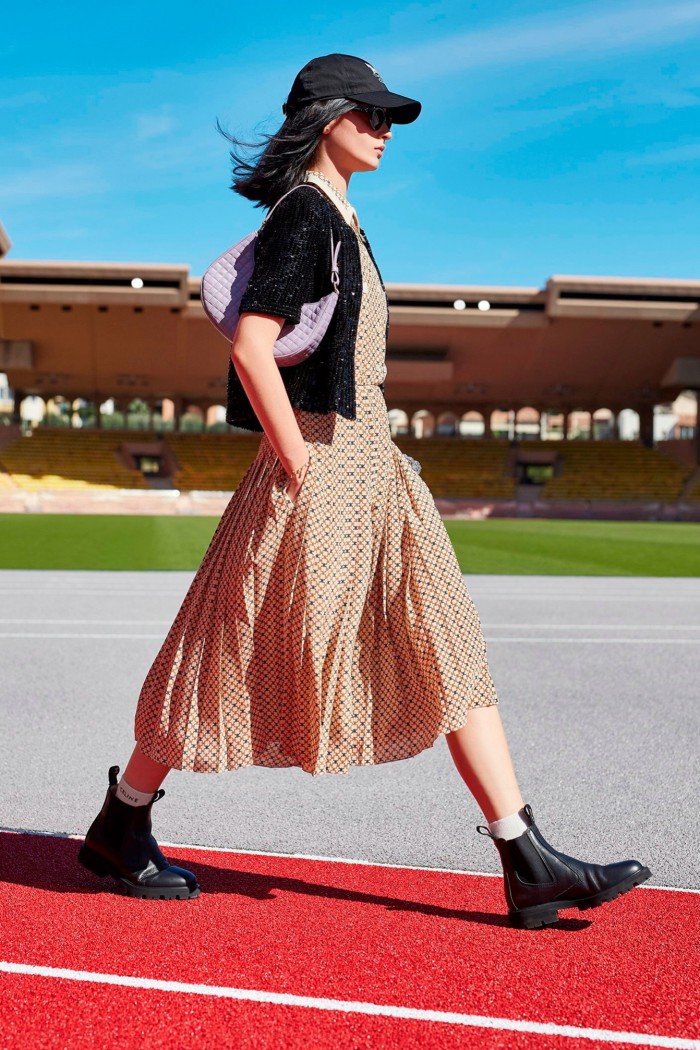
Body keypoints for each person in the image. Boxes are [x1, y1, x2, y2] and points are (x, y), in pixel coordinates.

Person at [79, 54, 651, 929]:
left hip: (370, 465)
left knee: (444, 635)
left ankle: (524, 852)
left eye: (391, 120)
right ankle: (124, 820)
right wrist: (302, 465)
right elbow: (252, 346)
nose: (386, 132)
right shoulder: (306, 214)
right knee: (227, 649)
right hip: (320, 465)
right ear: (327, 119)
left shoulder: (342, 218)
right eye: (372, 116)